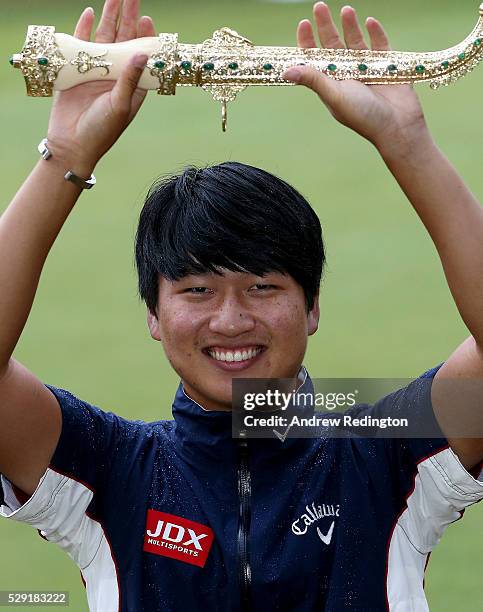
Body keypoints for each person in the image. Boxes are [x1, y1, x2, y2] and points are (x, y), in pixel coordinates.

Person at [0, 0, 482, 610]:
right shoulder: (108, 472)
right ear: (152, 313)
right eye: (197, 291)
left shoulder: (385, 457)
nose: (230, 320)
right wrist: (65, 159)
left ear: (312, 307)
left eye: (263, 288)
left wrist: (407, 143)